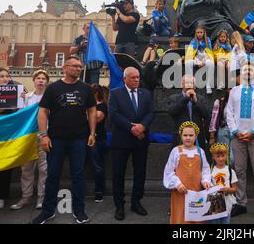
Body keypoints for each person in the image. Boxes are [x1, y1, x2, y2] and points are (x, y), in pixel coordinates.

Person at [32, 56, 97, 224]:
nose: (79, 69)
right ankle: (47, 211)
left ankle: (79, 210)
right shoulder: (53, 88)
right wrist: (44, 135)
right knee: (52, 175)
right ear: (65, 68)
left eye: (80, 67)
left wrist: (92, 133)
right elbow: (43, 112)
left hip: (79, 139)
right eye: (75, 66)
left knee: (78, 175)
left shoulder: (86, 88)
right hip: (56, 139)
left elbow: (91, 111)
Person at [227, 63, 254, 223]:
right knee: (239, 171)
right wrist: (235, 131)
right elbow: (229, 112)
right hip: (237, 137)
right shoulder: (234, 91)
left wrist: (253, 132)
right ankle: (241, 203)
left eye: (250, 70)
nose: (247, 72)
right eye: (245, 70)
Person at [108, 67, 154, 221]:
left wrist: (143, 126)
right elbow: (113, 114)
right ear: (125, 79)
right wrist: (131, 128)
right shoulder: (115, 93)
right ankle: (119, 205)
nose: (136, 80)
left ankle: (136, 202)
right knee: (118, 174)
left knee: (140, 172)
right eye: (133, 77)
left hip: (141, 139)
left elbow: (151, 112)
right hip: (121, 140)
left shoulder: (145, 93)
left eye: (138, 77)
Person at [11, 70, 49, 211]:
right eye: (38, 78)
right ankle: (25, 197)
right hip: (28, 138)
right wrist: (19, 101)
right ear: (33, 81)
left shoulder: (49, 97)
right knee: (26, 169)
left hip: (44, 136)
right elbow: (19, 116)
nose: (40, 80)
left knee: (44, 169)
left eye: (43, 78)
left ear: (46, 81)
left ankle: (41, 198)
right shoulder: (26, 98)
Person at [163, 121, 212, 224]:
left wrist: (206, 181)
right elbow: (169, 171)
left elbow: (205, 170)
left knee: (196, 217)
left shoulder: (200, 152)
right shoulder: (176, 151)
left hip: (196, 192)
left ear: (196, 136)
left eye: (191, 135)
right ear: (181, 136)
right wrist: (177, 184)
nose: (188, 138)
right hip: (180, 192)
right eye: (185, 135)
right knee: (181, 216)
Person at [0, 68, 18, 210]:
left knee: (6, 166)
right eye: (2, 76)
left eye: (8, 76)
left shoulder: (15, 92)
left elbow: (18, 112)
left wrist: (20, 98)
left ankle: (1, 196)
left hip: (7, 135)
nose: (5, 78)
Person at [167, 75, 209, 155]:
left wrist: (196, 102)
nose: (189, 85)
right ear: (182, 84)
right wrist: (185, 98)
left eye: (192, 83)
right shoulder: (174, 98)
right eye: (187, 83)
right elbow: (172, 112)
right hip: (180, 137)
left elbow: (206, 115)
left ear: (195, 86)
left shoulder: (201, 99)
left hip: (197, 138)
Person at [88, 84, 108, 204]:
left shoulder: (102, 106)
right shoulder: (88, 106)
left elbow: (96, 118)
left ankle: (99, 191)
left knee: (97, 166)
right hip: (85, 138)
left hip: (98, 139)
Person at [209, 143, 238, 225]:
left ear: (226, 156)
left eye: (223, 155)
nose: (221, 158)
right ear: (213, 157)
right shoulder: (211, 171)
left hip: (226, 204)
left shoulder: (230, 171)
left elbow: (234, 189)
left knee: (225, 222)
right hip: (213, 204)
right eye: (218, 156)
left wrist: (227, 189)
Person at [185, 26, 215, 95]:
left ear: (204, 33)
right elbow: (190, 53)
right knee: (188, 63)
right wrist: (197, 61)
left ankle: (208, 85)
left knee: (211, 63)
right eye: (198, 32)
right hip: (196, 58)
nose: (199, 34)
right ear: (196, 33)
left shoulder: (207, 40)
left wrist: (204, 60)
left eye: (201, 32)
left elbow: (209, 52)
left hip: (205, 58)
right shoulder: (193, 41)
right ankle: (190, 85)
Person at [209, 89, 233, 163]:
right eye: (231, 89)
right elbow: (213, 119)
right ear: (228, 90)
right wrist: (212, 136)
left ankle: (232, 173)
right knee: (223, 156)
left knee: (233, 159)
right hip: (224, 129)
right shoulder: (220, 102)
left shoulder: (240, 103)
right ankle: (224, 173)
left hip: (236, 132)